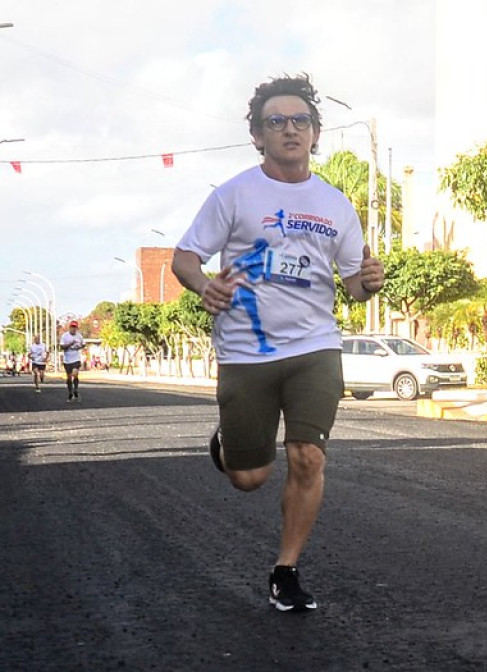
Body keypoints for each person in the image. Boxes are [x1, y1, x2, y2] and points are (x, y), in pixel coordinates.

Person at [172, 73, 384, 613]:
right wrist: (203, 285)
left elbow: (354, 286)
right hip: (247, 350)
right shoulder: (234, 194)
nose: (290, 129)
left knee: (307, 456)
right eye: (276, 121)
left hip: (315, 348)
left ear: (315, 134)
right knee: (249, 477)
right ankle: (231, 440)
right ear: (257, 135)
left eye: (300, 120)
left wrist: (369, 281)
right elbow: (185, 257)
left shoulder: (336, 204)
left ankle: (285, 571)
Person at [60, 321, 85, 402]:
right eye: (72, 327)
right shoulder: (65, 336)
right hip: (67, 360)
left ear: (77, 328)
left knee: (75, 374)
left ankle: (75, 390)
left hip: (76, 358)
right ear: (69, 327)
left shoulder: (79, 336)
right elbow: (62, 347)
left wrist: (80, 346)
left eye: (75, 327)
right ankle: (70, 393)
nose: (73, 329)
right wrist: (70, 344)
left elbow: (83, 344)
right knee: (69, 377)